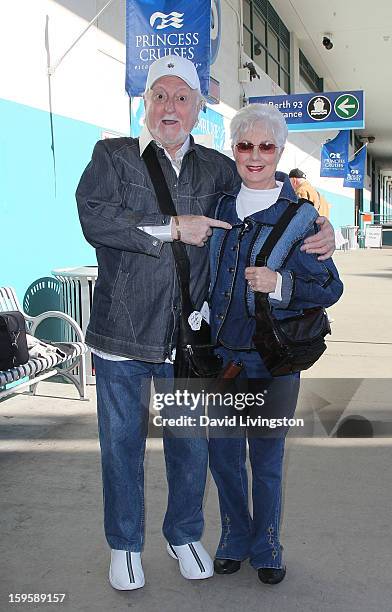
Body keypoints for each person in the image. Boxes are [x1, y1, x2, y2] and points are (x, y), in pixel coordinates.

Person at [76, 56, 336, 591]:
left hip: (188, 341)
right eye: (160, 97)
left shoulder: (217, 167)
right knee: (120, 446)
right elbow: (95, 220)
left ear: (198, 108)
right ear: (145, 104)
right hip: (122, 335)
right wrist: (173, 228)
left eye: (182, 98)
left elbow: (266, 193)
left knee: (190, 446)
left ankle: (185, 532)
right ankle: (125, 545)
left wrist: (323, 225)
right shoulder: (113, 156)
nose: (170, 107)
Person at [208, 103, 343, 585]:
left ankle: (266, 544)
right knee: (223, 457)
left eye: (267, 146)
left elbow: (330, 288)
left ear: (280, 151)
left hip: (273, 362)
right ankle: (232, 537)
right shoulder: (220, 208)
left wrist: (280, 283)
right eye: (246, 145)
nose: (256, 155)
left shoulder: (302, 219)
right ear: (235, 150)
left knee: (265, 460)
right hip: (220, 360)